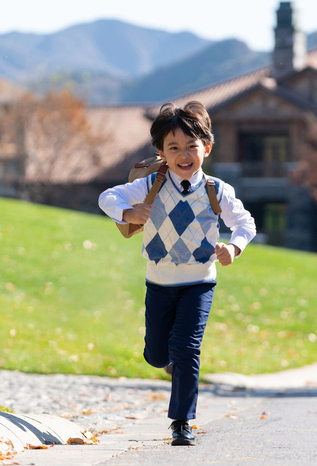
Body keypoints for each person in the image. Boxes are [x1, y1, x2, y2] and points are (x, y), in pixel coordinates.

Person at [98, 101, 256, 446]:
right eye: (174, 148)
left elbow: (245, 223)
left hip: (199, 283)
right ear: (161, 153)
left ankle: (182, 422)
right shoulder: (150, 185)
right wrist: (129, 213)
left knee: (187, 349)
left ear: (207, 148)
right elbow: (106, 198)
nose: (184, 155)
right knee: (157, 355)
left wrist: (234, 247)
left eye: (191, 146)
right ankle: (170, 362)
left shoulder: (216, 190)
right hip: (159, 283)